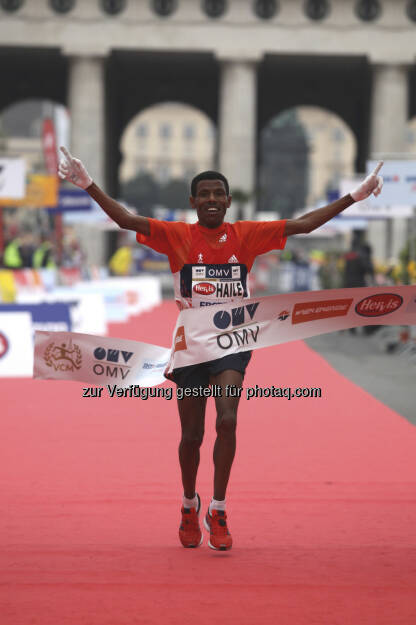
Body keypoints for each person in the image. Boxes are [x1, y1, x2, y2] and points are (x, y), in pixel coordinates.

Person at [58, 147, 383, 551]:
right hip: (191, 345)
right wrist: (87, 183)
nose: (211, 200)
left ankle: (219, 507)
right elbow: (125, 219)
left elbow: (304, 224)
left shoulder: (246, 234)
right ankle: (188, 503)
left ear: (228, 201)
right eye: (204, 195)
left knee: (226, 421)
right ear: (192, 202)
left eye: (218, 194)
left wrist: (356, 195)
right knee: (191, 435)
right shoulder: (177, 235)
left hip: (233, 342)